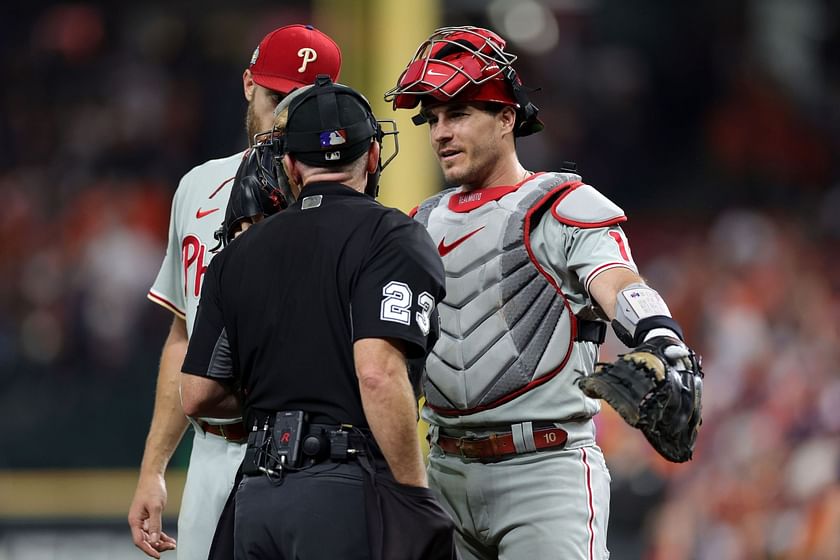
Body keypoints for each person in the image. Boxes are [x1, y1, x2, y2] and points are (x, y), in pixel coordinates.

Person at [385, 26, 703, 560]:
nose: (441, 132)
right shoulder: (419, 224)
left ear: (507, 117)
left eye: (459, 113)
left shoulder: (558, 204)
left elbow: (619, 280)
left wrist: (661, 336)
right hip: (443, 474)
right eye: (433, 118)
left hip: (544, 474)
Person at [179, 75, 457, 560]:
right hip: (345, 489)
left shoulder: (239, 254)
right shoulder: (392, 235)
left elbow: (198, 394)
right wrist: (414, 496)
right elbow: (377, 372)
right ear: (372, 156)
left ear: (289, 165)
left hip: (256, 494)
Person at [128, 25, 342, 560]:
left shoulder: (343, 203)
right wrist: (154, 470)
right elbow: (184, 333)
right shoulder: (198, 186)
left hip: (312, 451)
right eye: (276, 98)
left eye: (302, 102)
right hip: (215, 449)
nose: (285, 117)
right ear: (249, 84)